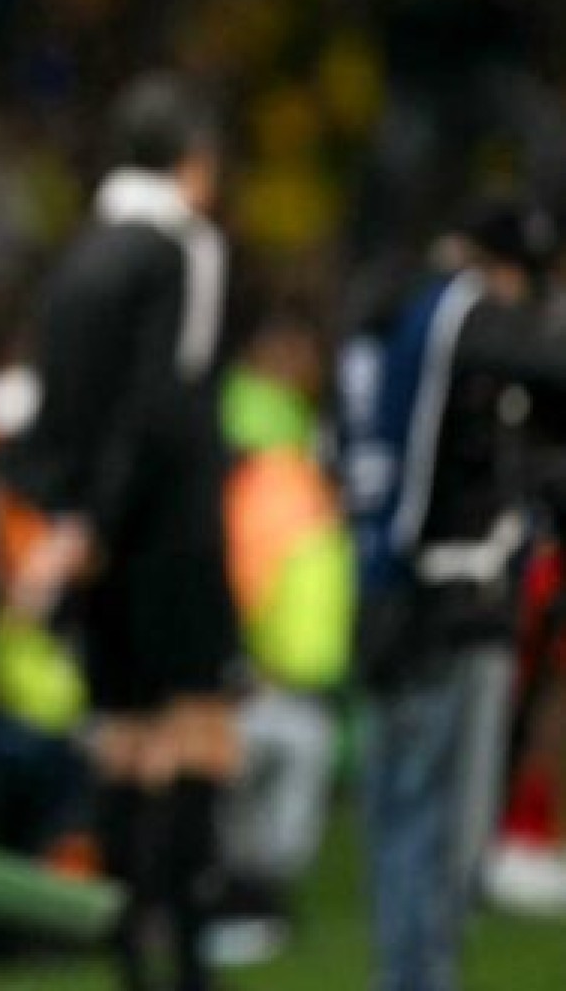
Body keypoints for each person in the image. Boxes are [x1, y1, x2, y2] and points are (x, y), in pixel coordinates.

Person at [2, 73, 243, 991]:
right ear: (194, 161)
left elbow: (55, 404)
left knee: (123, 742)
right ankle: (185, 960)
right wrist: (110, 514)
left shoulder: (81, 255)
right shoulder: (185, 250)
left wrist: (70, 523)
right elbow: (161, 405)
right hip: (166, 527)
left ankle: (127, 961)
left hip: (93, 532)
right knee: (198, 735)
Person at [338, 199, 566, 991]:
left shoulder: (386, 314)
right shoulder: (455, 312)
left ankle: (411, 975)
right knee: (436, 832)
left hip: (395, 588)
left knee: (411, 821)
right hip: (438, 595)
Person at [210, 301, 354, 965]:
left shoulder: (290, 433)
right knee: (254, 799)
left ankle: (255, 905)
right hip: (261, 659)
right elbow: (241, 549)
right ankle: (243, 905)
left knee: (280, 801)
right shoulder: (251, 430)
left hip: (295, 658)